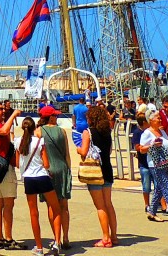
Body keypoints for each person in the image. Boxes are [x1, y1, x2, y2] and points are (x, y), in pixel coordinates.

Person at [16, 117, 62, 256]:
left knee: (33, 213)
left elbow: (18, 164)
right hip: (42, 176)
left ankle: (39, 247)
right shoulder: (39, 141)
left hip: (29, 179)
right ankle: (56, 242)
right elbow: (46, 163)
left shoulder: (18, 142)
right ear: (33, 128)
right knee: (56, 208)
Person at [77, 103, 118, 248]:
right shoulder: (107, 132)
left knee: (100, 206)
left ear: (91, 118)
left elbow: (83, 151)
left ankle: (105, 238)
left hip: (95, 171)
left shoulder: (88, 132)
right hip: (107, 169)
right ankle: (114, 235)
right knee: (109, 204)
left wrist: (77, 149)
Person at [0, 103, 23, 250]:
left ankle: (0, 237)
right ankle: (8, 238)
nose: (3, 111)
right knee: (8, 205)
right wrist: (13, 115)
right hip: (4, 168)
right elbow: (3, 131)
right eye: (0, 109)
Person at [38, 104, 72, 249]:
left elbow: (39, 155)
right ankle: (65, 237)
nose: (57, 117)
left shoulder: (38, 132)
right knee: (64, 206)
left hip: (48, 171)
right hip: (62, 169)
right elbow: (67, 155)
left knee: (52, 207)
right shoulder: (62, 131)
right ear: (50, 117)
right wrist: (69, 171)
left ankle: (56, 237)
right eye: (55, 115)